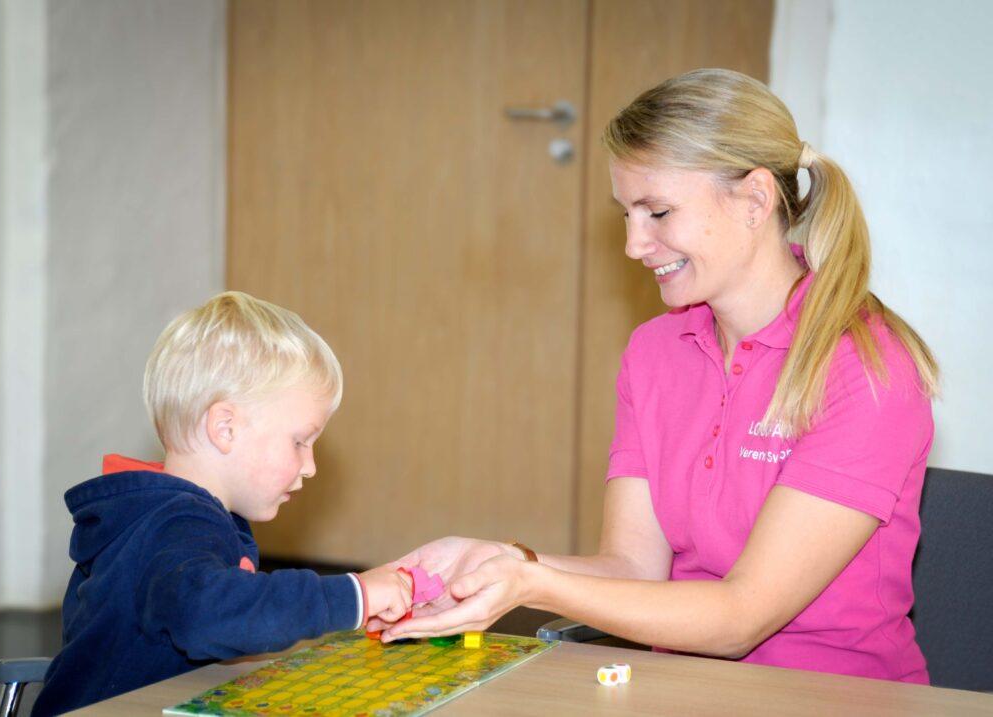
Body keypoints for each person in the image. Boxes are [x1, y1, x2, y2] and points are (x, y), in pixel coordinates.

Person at [379, 68, 939, 684]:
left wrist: (531, 584)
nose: (634, 244)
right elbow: (632, 570)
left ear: (755, 201)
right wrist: (502, 562)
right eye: (626, 214)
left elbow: (739, 619)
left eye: (658, 212)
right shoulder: (655, 351)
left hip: (836, 697)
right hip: (682, 691)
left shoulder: (869, 369)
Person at [34, 292, 413, 715]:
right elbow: (208, 614)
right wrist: (353, 595)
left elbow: (209, 624)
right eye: (299, 442)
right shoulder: (174, 524)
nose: (310, 467)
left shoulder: (171, 515)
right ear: (225, 428)